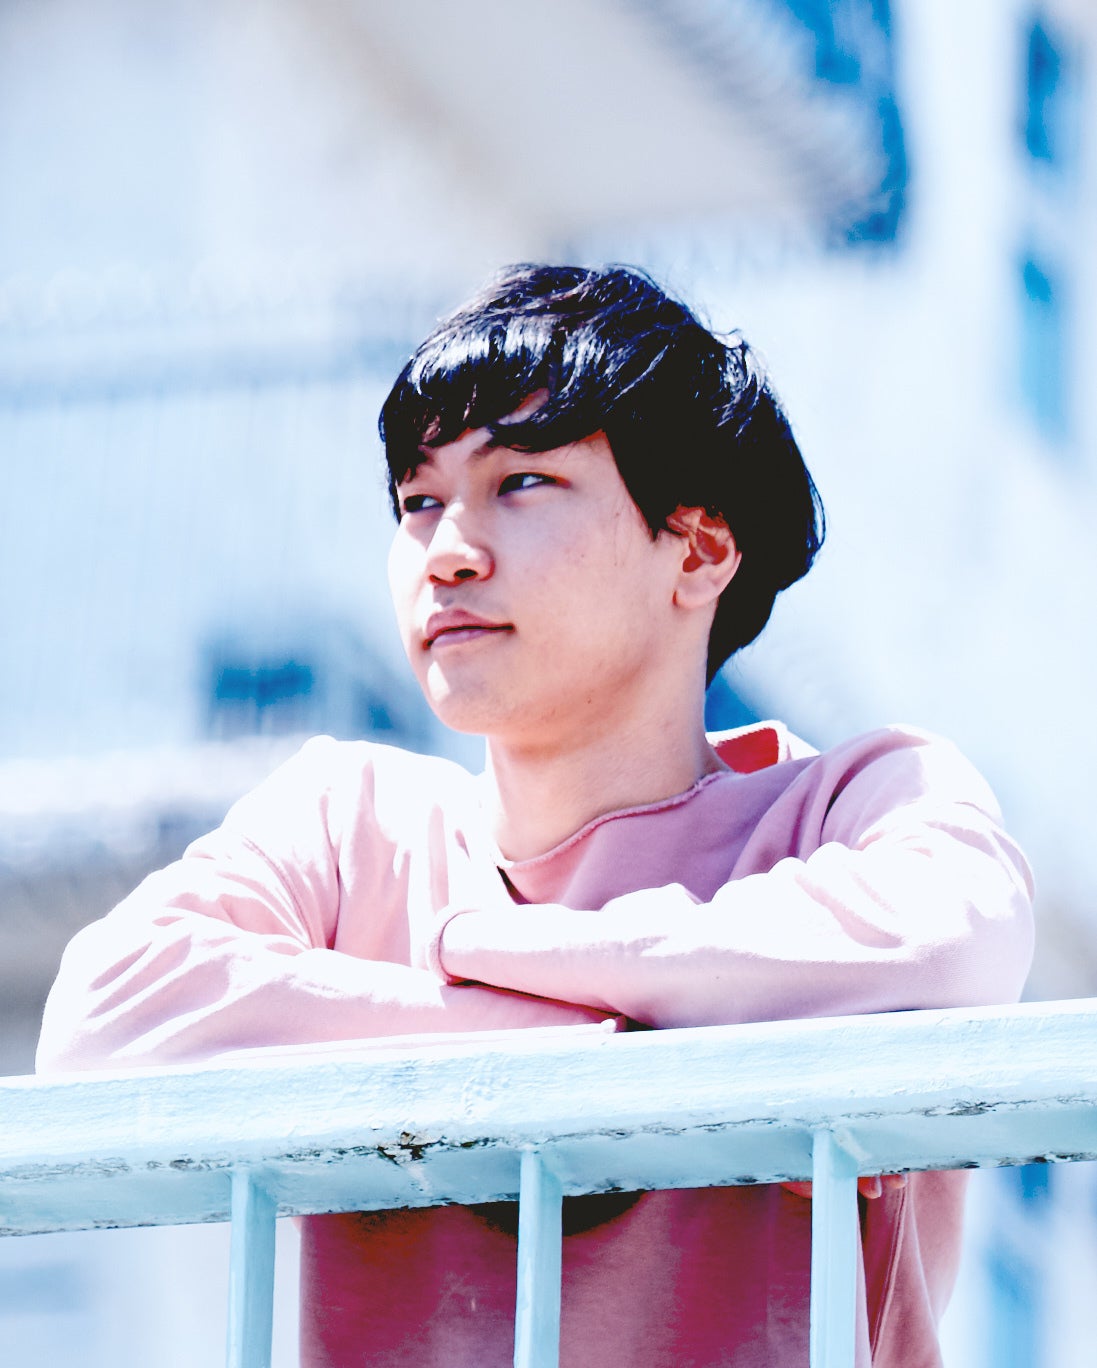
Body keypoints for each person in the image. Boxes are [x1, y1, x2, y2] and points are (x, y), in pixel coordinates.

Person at [37, 264, 1034, 1366]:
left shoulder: (852, 808)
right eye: (419, 501)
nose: (448, 553)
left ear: (698, 549)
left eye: (521, 482)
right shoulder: (349, 825)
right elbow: (102, 1023)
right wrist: (572, 1053)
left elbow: (953, 944)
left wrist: (483, 952)